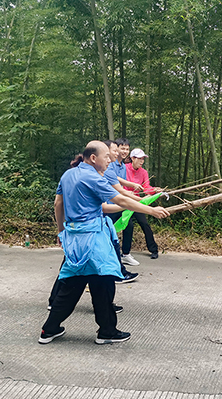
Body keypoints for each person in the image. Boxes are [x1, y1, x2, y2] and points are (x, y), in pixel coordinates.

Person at [39, 141, 169, 345]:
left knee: (73, 285)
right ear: (93, 158)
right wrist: (151, 210)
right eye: (107, 156)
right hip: (93, 241)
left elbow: (61, 204)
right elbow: (122, 200)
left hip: (74, 238)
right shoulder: (93, 177)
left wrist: (61, 231)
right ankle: (107, 331)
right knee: (104, 283)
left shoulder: (68, 175)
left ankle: (49, 329)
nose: (110, 160)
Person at [104, 138, 143, 274]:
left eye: (127, 149)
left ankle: (123, 256)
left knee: (127, 225)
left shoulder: (121, 166)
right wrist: (138, 200)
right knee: (108, 232)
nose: (122, 152)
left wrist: (138, 199)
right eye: (118, 149)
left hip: (117, 203)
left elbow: (120, 186)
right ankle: (116, 267)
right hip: (108, 204)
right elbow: (118, 186)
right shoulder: (109, 165)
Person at [122, 148, 161, 260]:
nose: (142, 161)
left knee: (144, 223)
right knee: (128, 225)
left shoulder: (143, 172)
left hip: (137, 201)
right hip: (124, 201)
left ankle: (153, 249)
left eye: (143, 159)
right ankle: (125, 252)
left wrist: (154, 190)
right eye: (139, 158)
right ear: (132, 158)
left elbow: (146, 188)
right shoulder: (124, 169)